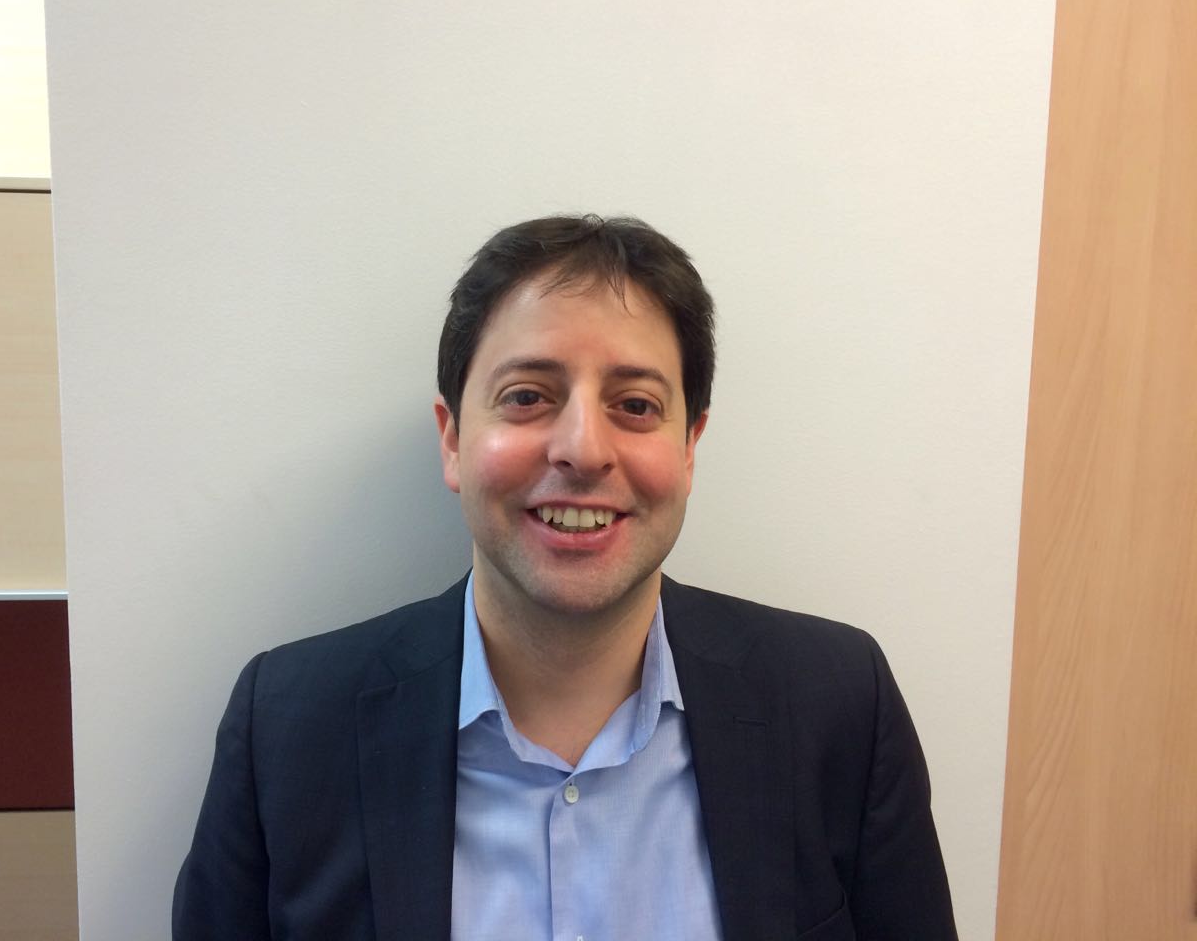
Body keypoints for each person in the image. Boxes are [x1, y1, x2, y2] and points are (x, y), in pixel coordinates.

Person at [173, 215, 958, 940]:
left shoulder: (838, 705)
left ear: (690, 448)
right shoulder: (288, 729)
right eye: (527, 397)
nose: (583, 449)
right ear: (452, 440)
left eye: (636, 405)